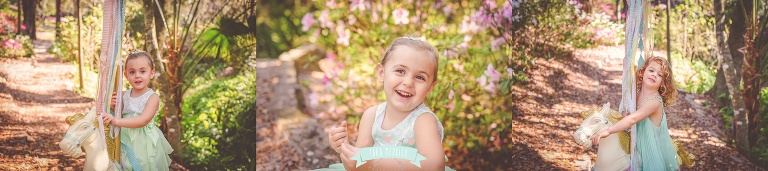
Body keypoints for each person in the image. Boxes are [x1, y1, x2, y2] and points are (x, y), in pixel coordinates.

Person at [318, 37, 451, 171]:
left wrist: (371, 165)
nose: (408, 82)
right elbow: (361, 158)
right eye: (400, 71)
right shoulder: (371, 116)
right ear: (382, 73)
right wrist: (345, 148)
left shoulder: (423, 121)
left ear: (429, 88)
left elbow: (435, 166)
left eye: (420, 77)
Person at [592, 56, 679, 170]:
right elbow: (627, 116)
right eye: (651, 70)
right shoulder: (635, 94)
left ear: (663, 83)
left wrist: (608, 131)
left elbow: (632, 119)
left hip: (648, 150)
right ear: (642, 72)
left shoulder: (654, 101)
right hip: (634, 144)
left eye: (660, 75)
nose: (654, 75)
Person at [102, 51, 173, 171]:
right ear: (126, 76)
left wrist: (116, 121)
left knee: (142, 165)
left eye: (142, 71)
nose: (137, 76)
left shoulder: (152, 97)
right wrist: (112, 104)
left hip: (143, 142)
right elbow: (117, 111)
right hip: (124, 137)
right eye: (132, 72)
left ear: (152, 73)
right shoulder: (123, 95)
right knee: (122, 164)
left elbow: (142, 120)